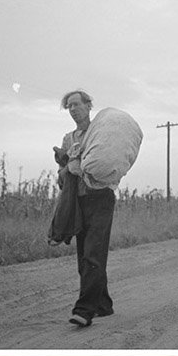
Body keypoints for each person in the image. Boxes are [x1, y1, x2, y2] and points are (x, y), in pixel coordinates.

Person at [56, 89, 116, 327]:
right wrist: (66, 169)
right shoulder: (68, 139)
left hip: (101, 198)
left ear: (89, 106)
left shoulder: (100, 133)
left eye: (76, 105)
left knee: (93, 254)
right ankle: (103, 304)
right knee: (85, 257)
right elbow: (63, 176)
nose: (72, 110)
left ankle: (84, 310)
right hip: (79, 201)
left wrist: (79, 165)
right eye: (69, 106)